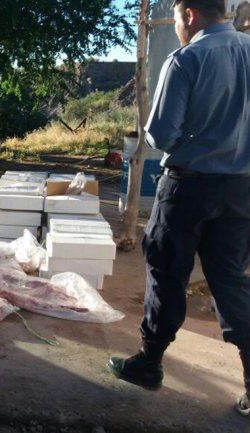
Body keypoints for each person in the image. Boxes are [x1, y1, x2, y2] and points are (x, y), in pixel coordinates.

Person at [107, 0, 250, 416]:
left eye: (175, 20)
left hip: (188, 188)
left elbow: (162, 136)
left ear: (189, 15)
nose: (177, 29)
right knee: (232, 281)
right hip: (242, 189)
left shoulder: (188, 58)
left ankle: (149, 364)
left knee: (167, 271)